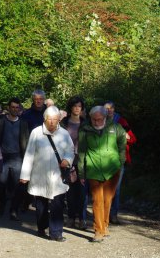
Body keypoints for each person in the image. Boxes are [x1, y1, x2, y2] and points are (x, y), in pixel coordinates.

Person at [20, 106, 74, 242]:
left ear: (58, 120)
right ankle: (42, 228)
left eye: (55, 119)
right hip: (40, 174)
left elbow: (70, 150)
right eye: (49, 119)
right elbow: (29, 155)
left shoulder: (64, 134)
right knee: (41, 205)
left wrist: (67, 160)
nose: (52, 122)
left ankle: (56, 232)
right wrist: (25, 175)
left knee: (58, 204)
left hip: (58, 176)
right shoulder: (36, 133)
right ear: (44, 119)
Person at [77, 106, 126, 242]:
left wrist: (120, 162)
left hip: (112, 169)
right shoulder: (85, 129)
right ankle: (98, 230)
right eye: (94, 119)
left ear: (105, 118)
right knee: (97, 200)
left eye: (99, 119)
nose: (96, 122)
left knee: (107, 199)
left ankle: (105, 225)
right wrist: (81, 173)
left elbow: (122, 144)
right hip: (93, 168)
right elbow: (81, 152)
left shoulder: (116, 128)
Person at [0, 97, 29, 221]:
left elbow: (26, 141)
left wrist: (26, 158)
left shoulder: (23, 123)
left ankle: (14, 209)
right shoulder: (1, 121)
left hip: (18, 157)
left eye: (16, 107)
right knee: (1, 184)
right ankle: (2, 204)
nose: (14, 109)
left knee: (18, 185)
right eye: (12, 107)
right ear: (8, 108)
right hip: (3, 157)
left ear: (19, 108)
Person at [104, 101, 137, 224]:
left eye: (110, 108)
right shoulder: (99, 120)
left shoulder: (121, 122)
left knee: (115, 189)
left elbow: (132, 139)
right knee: (103, 187)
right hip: (103, 159)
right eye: (105, 109)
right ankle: (104, 214)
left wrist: (125, 137)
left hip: (118, 160)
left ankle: (113, 214)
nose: (108, 111)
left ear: (114, 109)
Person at [61, 96, 88, 230]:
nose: (77, 108)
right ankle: (71, 217)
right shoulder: (63, 123)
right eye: (75, 106)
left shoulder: (86, 123)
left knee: (82, 192)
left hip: (83, 161)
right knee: (70, 192)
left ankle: (82, 219)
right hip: (67, 161)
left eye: (79, 106)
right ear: (70, 107)